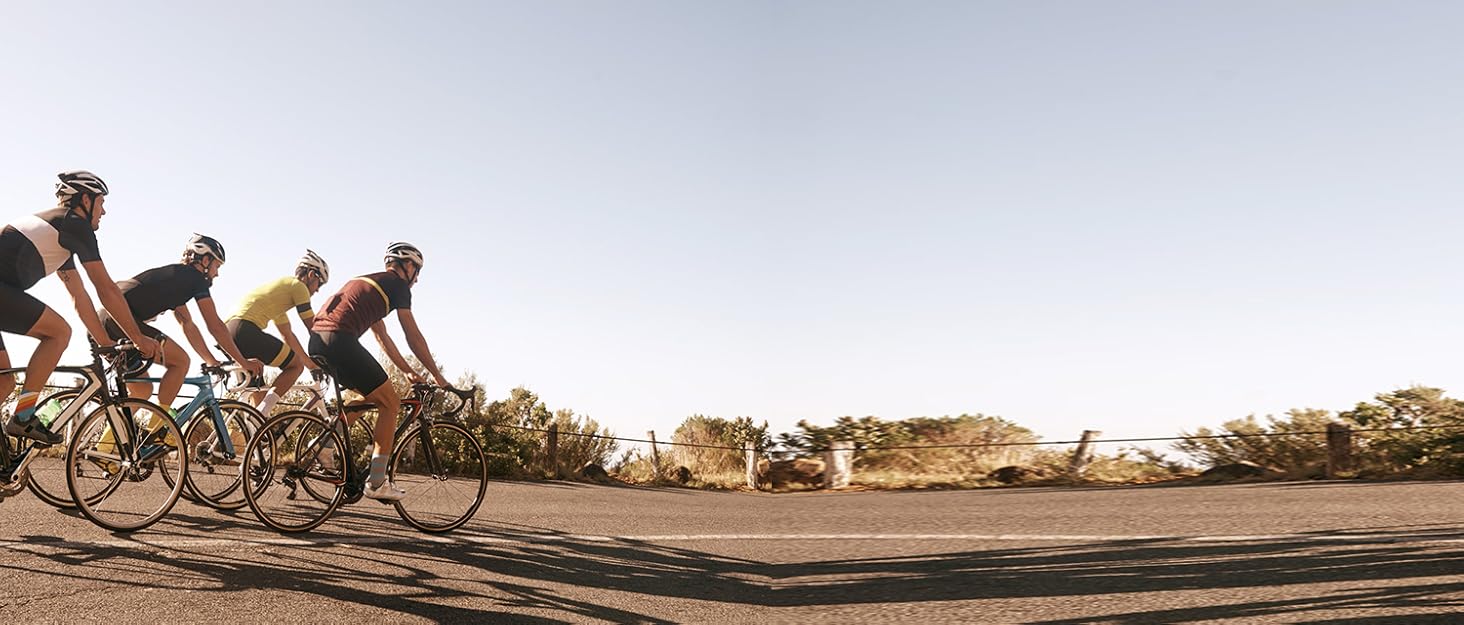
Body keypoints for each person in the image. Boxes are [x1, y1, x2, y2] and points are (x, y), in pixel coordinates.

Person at [0, 171, 159, 446]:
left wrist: (105, 343)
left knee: (4, 385)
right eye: (101, 202)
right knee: (59, 333)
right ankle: (24, 417)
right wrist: (138, 338)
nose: (104, 211)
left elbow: (79, 296)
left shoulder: (57, 231)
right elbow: (106, 289)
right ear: (84, 199)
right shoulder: (74, 224)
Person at [308, 241, 451, 501]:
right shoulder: (397, 286)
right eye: (417, 272)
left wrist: (408, 371)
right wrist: (438, 376)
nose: (416, 280)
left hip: (317, 340)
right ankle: (376, 482)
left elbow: (382, 336)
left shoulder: (369, 284)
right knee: (391, 403)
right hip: (340, 340)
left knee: (371, 396)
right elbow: (412, 335)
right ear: (407, 266)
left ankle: (324, 443)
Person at [98, 234, 263, 409]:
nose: (217, 273)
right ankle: (159, 428)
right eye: (217, 266)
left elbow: (187, 324)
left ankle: (119, 437)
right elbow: (215, 326)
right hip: (118, 322)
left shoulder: (177, 279)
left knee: (142, 390)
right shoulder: (196, 279)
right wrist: (242, 362)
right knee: (180, 362)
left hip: (103, 322)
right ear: (205, 260)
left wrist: (211, 360)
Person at [225, 250, 328, 415]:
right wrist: (329, 355)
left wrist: (310, 365)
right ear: (311, 274)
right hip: (246, 330)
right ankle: (263, 412)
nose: (317, 290)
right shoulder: (299, 287)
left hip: (229, 332)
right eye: (319, 283)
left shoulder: (281, 294)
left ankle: (257, 427)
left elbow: (288, 336)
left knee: (257, 398)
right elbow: (314, 328)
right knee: (294, 366)